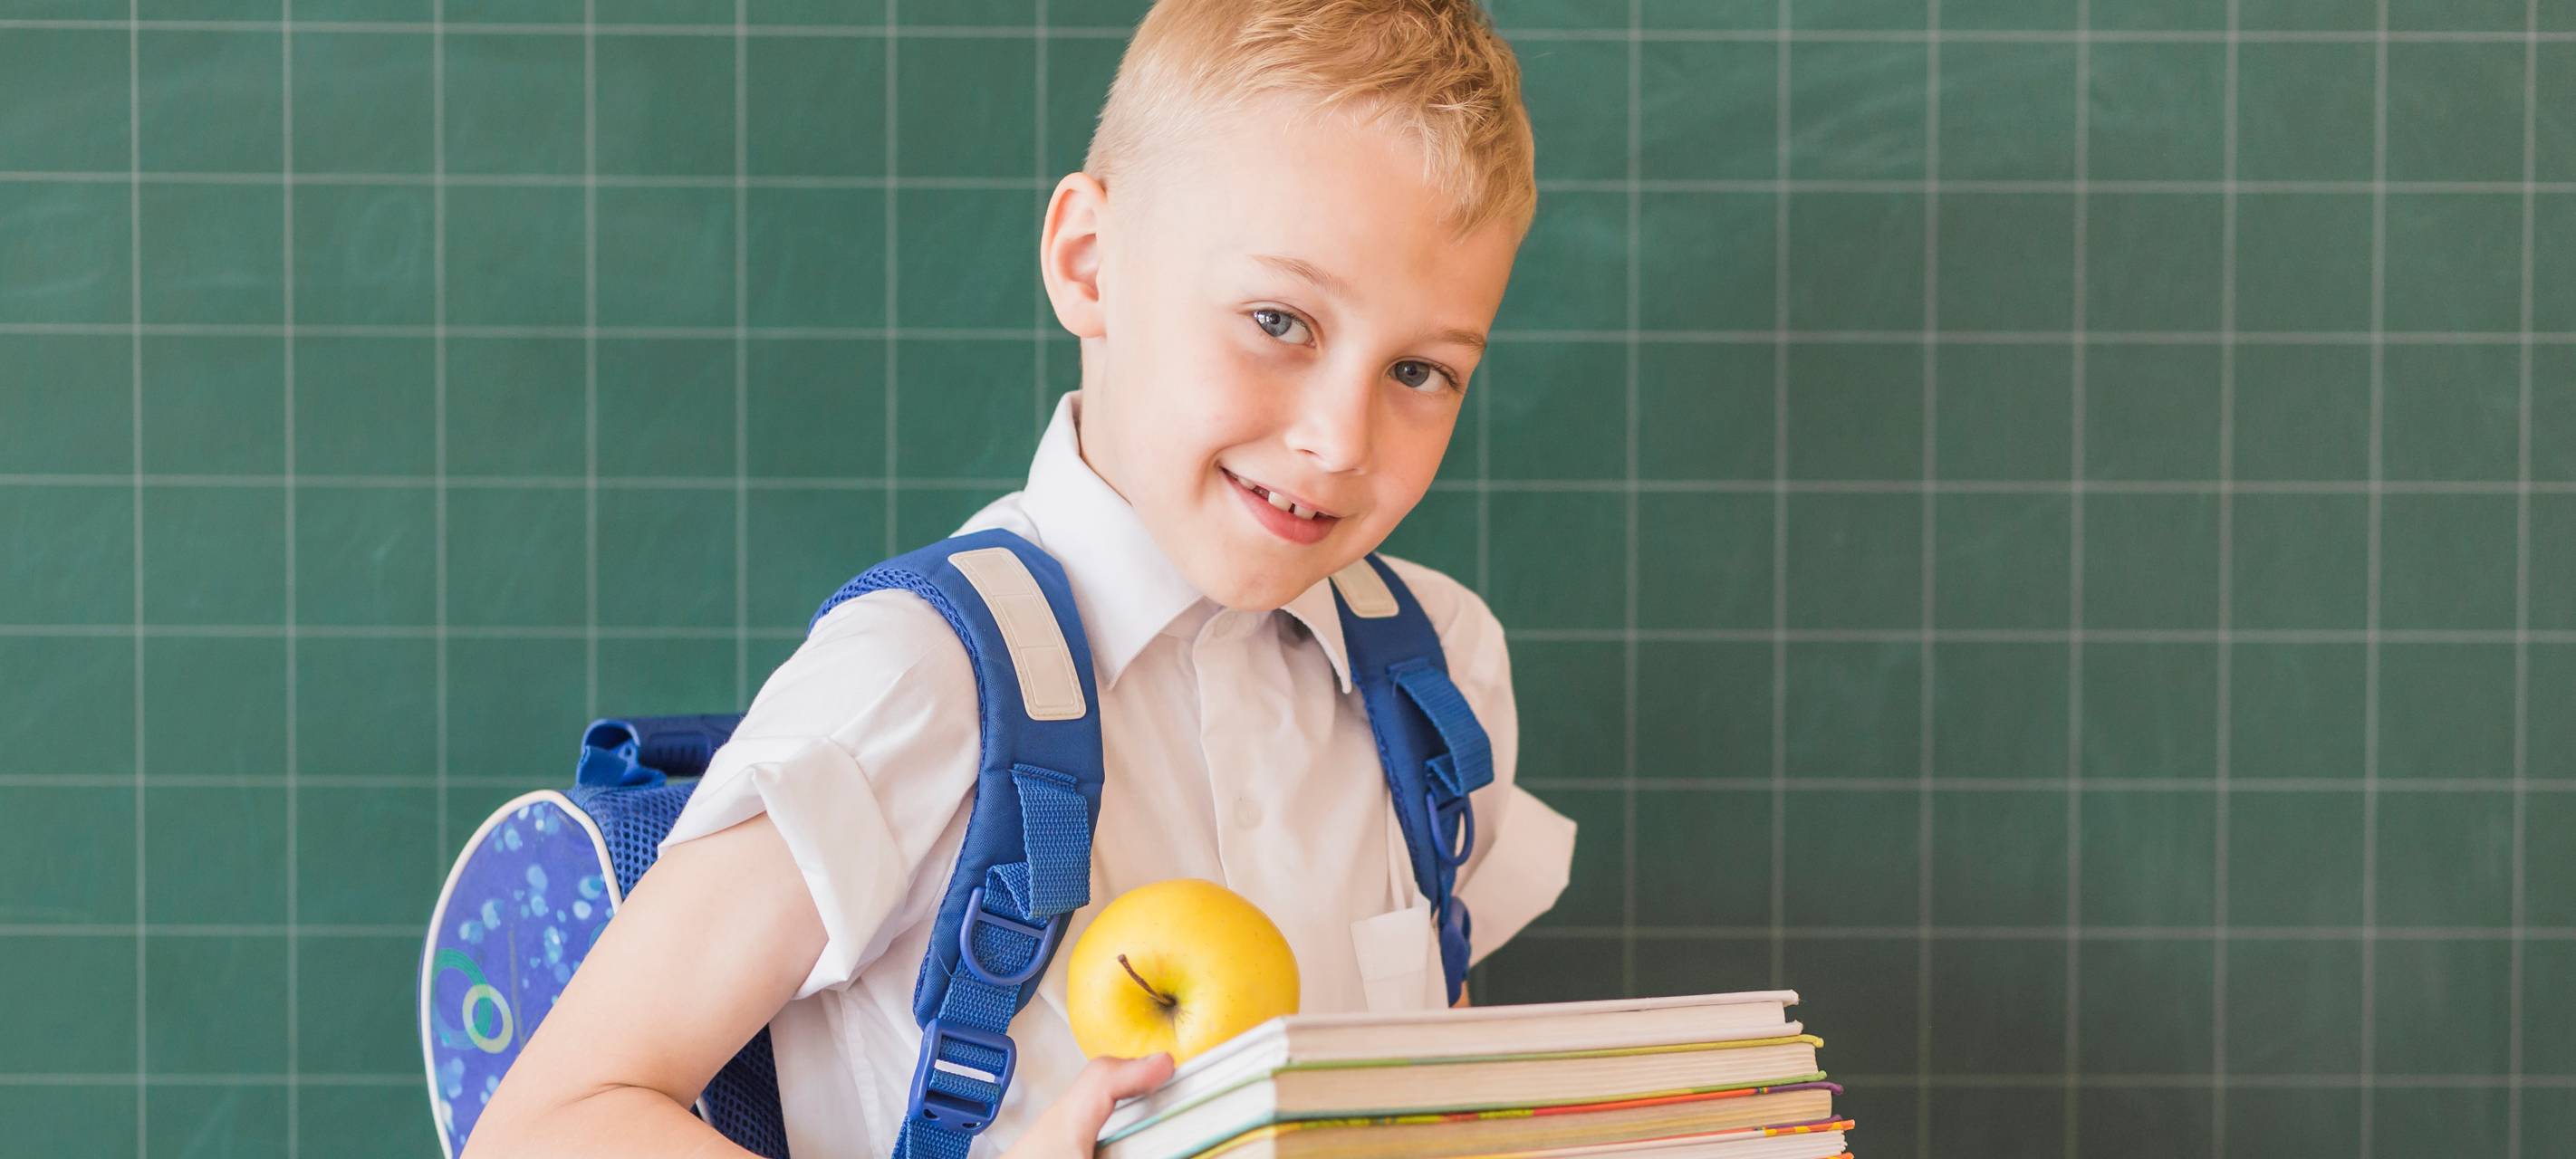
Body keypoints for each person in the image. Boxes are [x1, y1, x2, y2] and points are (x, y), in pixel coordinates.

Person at [464, 1, 1574, 1154]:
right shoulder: (919, 676)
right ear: (1089, 265)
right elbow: (548, 1123)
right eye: (1279, 319)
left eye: (1420, 370)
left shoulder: (1438, 676)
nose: (1343, 439)